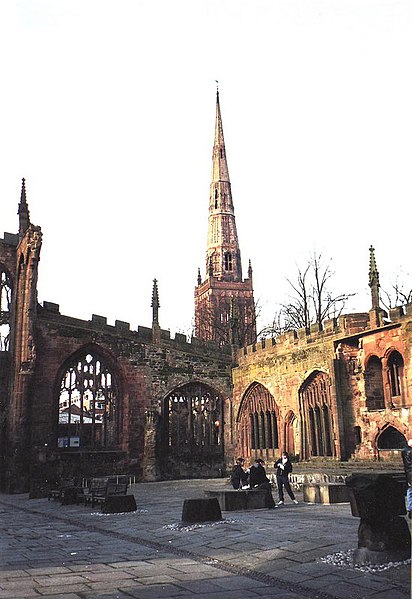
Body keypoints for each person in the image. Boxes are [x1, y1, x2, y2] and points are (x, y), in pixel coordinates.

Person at [401, 438, 412, 519]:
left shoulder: (404, 450)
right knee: (410, 491)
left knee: (410, 490)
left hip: (408, 473)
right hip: (411, 473)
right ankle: (410, 507)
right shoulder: (410, 451)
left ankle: (410, 507)